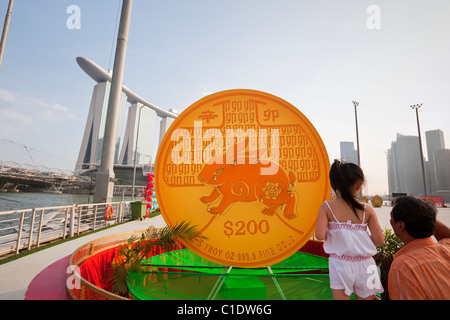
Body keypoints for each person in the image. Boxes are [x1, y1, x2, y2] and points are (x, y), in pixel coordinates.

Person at [315, 160, 385, 300]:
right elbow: (379, 240)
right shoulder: (367, 209)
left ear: (334, 185)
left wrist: (341, 237)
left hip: (339, 265)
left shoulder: (327, 207)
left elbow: (320, 235)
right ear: (359, 185)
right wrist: (358, 240)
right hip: (366, 264)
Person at [388, 196, 450, 300]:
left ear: (400, 226)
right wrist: (424, 214)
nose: (390, 220)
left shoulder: (403, 266)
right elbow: (447, 236)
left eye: (391, 217)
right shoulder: (446, 249)